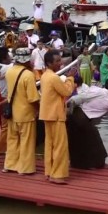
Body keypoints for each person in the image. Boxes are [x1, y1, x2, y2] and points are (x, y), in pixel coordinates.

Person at [69, 76, 108, 169]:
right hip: (82, 118)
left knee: (77, 141)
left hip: (75, 114)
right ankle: (98, 164)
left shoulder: (95, 89)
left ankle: (78, 164)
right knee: (95, 141)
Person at [40, 50, 76, 184]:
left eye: (60, 60)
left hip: (47, 114)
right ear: (49, 63)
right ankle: (57, 175)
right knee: (60, 145)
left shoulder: (45, 75)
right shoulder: (53, 77)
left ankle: (49, 171)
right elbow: (66, 91)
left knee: (50, 144)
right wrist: (70, 78)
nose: (60, 63)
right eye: (57, 61)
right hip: (55, 115)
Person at [3, 47, 41, 175]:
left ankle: (10, 165)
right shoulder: (28, 75)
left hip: (11, 113)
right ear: (27, 60)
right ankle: (25, 168)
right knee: (27, 141)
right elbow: (33, 98)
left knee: (12, 140)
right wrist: (39, 110)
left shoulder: (9, 72)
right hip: (25, 113)